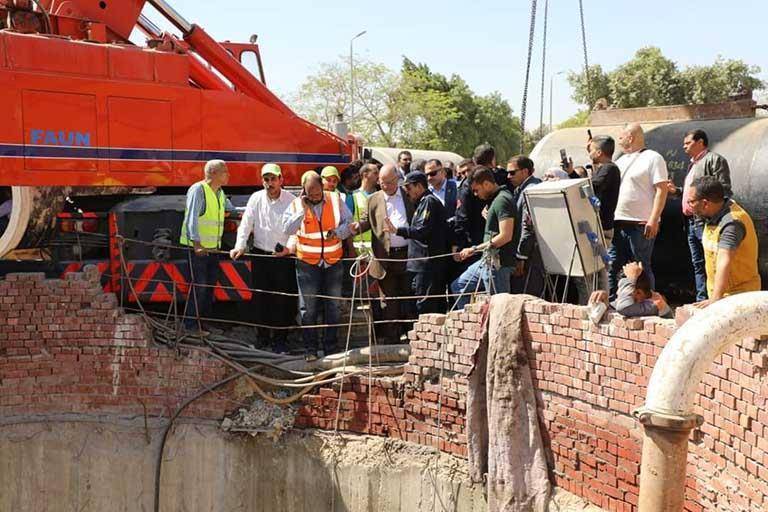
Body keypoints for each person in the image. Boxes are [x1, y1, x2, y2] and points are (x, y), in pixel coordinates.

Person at [282, 171, 356, 357]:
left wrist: (338, 233)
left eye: (318, 193)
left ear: (322, 187)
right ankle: (311, 349)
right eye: (311, 194)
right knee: (308, 308)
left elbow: (349, 223)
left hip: (333, 262)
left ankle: (331, 348)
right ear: (304, 192)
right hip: (307, 263)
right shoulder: (296, 204)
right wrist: (303, 210)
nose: (315, 197)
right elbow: (287, 229)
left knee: (333, 307)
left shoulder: (335, 199)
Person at [230, 163, 296, 353]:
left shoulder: (291, 200)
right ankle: (262, 338)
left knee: (282, 300)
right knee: (260, 298)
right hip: (260, 254)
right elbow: (246, 224)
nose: (270, 183)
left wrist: (289, 248)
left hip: (282, 257)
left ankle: (280, 341)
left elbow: (296, 229)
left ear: (281, 180)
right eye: (266, 179)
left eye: (273, 179)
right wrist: (239, 245)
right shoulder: (256, 198)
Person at [667, 129, 732, 302]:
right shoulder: (694, 164)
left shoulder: (714, 160)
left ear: (700, 142)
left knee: (711, 261)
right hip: (691, 221)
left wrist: (712, 218)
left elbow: (722, 191)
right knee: (698, 264)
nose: (684, 146)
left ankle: (714, 298)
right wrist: (677, 192)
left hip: (705, 221)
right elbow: (694, 195)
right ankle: (701, 298)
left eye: (688, 143)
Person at [357, 164, 416, 343]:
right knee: (388, 299)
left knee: (408, 295)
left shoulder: (409, 195)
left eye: (389, 183)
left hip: (408, 255)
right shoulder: (374, 199)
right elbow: (366, 221)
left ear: (397, 180)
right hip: (385, 257)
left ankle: (412, 334)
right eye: (381, 182)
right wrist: (355, 227)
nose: (385, 186)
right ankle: (392, 338)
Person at [609, 123, 668, 298]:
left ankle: (648, 302)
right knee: (615, 264)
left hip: (640, 223)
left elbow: (661, 189)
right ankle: (615, 300)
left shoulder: (653, 158)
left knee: (641, 265)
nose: (619, 141)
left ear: (630, 137)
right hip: (618, 222)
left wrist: (653, 219)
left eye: (621, 137)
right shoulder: (619, 161)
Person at [179, 159, 236, 334]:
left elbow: (231, 209)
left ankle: (201, 323)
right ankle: (190, 326)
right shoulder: (198, 190)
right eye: (224, 171)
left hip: (212, 249)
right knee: (199, 287)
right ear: (213, 173)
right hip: (198, 249)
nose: (228, 174)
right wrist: (196, 244)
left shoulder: (219, 192)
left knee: (209, 287)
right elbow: (191, 219)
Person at [687, 176, 760, 307]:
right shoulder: (711, 216)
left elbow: (724, 260)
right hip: (722, 296)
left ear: (705, 203)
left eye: (691, 201)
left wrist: (715, 301)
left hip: (739, 299)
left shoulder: (732, 223)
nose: (689, 205)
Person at [450, 166, 516, 309]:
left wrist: (473, 249)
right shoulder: (495, 200)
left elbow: (505, 236)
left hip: (498, 263)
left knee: (499, 308)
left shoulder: (502, 200)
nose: (475, 194)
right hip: (486, 260)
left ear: (486, 184)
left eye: (476, 189)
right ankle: (471, 325)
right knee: (459, 286)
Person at [383, 171, 448, 315]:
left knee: (425, 306)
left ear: (419, 186)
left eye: (409, 187)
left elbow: (421, 230)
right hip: (419, 264)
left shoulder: (429, 202)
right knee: (416, 303)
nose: (407, 191)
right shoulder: (420, 203)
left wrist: (397, 230)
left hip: (427, 265)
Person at [507, 155, 544, 296]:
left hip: (531, 255)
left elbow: (528, 227)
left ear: (525, 171)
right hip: (528, 253)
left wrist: (521, 257)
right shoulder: (521, 189)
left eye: (512, 172)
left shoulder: (531, 190)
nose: (509, 176)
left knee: (528, 297)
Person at [589, 261, 671, 319]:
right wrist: (605, 302)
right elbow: (616, 305)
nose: (618, 293)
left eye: (625, 289)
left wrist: (631, 279)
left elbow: (623, 307)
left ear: (639, 293)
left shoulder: (655, 304)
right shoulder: (636, 301)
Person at [350, 163, 379, 255]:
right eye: (375, 173)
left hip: (378, 249)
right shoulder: (353, 196)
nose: (378, 176)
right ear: (365, 175)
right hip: (359, 250)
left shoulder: (381, 196)